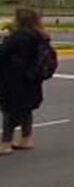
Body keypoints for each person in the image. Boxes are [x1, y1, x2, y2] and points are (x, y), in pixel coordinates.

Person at [0, 9, 54, 155]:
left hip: (14, 79)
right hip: (32, 78)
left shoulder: (18, 37)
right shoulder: (40, 36)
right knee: (26, 109)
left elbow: (3, 53)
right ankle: (26, 138)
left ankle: (5, 143)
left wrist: (5, 37)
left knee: (9, 110)